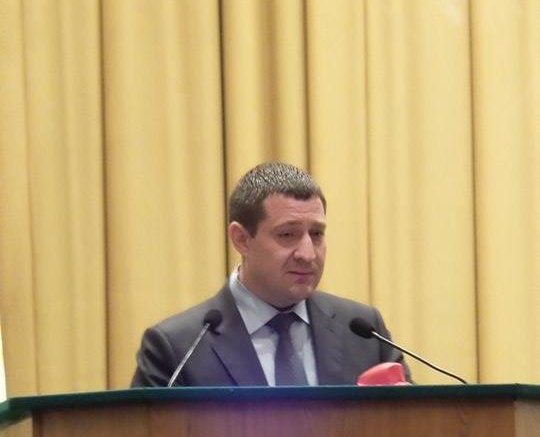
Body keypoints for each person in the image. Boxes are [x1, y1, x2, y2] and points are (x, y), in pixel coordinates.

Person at [131, 161, 409, 387]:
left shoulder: (365, 333)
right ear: (241, 239)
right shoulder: (178, 348)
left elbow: (411, 429)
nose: (308, 254)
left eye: (317, 234)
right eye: (287, 235)